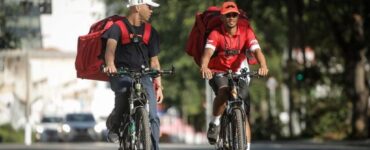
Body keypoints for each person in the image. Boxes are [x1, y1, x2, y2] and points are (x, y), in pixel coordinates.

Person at [200, 1, 269, 150]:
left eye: (234, 15)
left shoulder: (246, 31)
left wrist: (263, 65)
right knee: (224, 92)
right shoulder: (215, 33)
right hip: (218, 70)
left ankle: (247, 147)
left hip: (239, 72)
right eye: (227, 15)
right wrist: (205, 66)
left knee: (242, 110)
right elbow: (207, 53)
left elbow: (257, 51)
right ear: (222, 18)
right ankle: (215, 122)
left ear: (238, 16)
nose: (231, 18)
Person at [102, 0, 163, 149]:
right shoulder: (118, 27)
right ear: (137, 7)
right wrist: (110, 64)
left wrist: (159, 86)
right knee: (123, 91)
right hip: (122, 72)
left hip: (144, 74)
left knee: (154, 115)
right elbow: (110, 49)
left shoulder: (150, 31)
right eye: (148, 7)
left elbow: (154, 62)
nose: (151, 10)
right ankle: (115, 125)